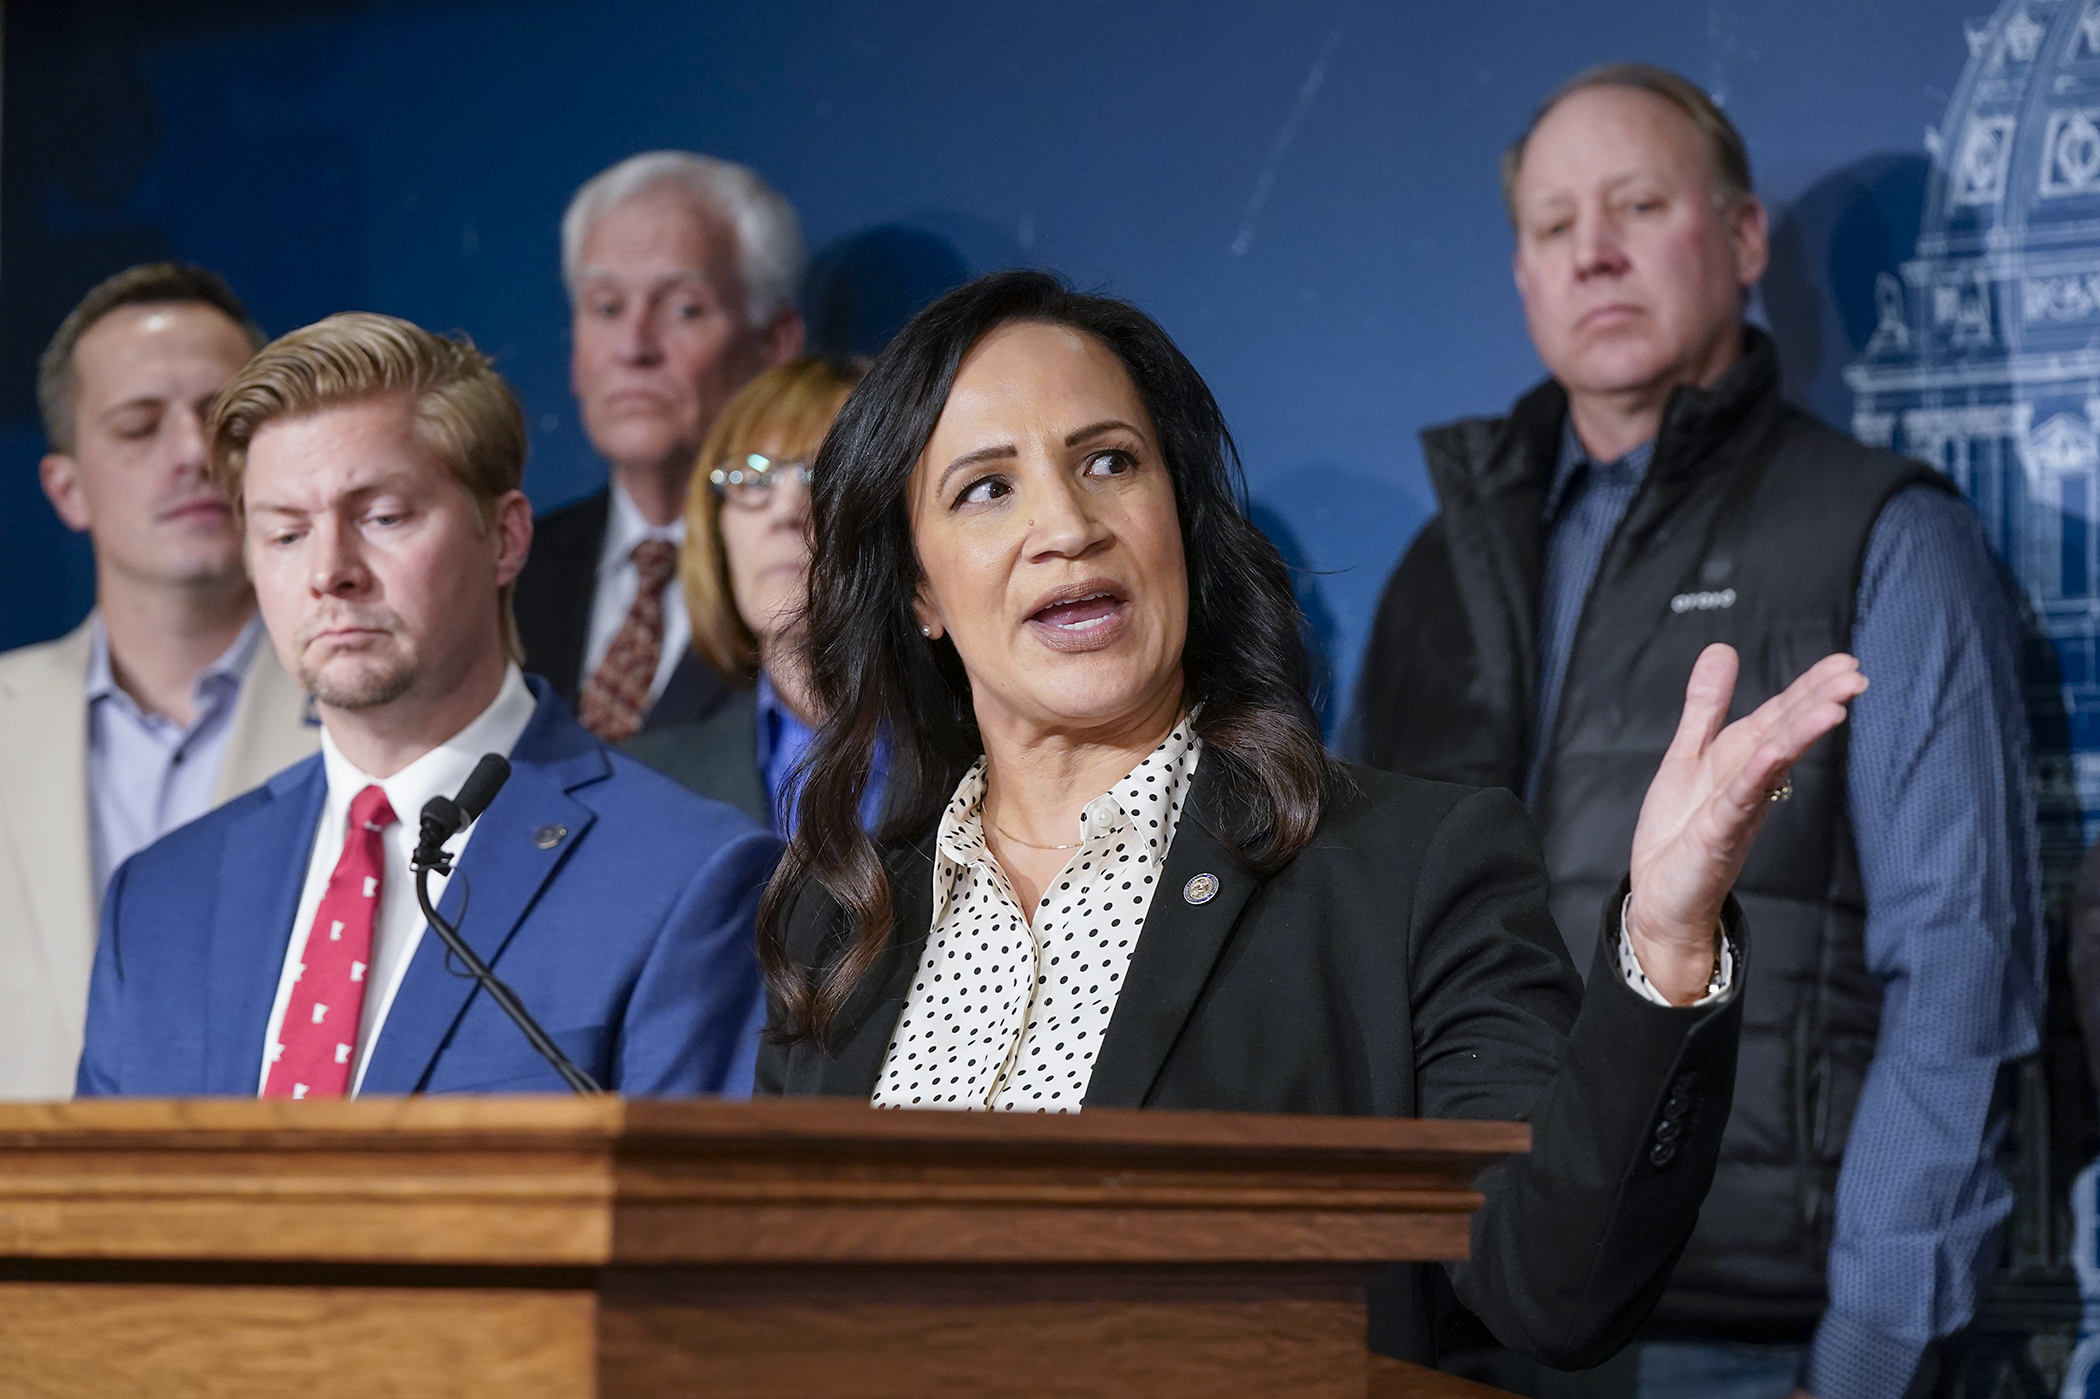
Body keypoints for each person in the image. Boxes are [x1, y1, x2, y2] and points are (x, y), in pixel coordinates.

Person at [749, 269, 1867, 1369]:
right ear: (921, 595)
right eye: (985, 488)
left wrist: (1666, 948)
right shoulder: (843, 918)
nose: (1067, 524)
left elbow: (1556, 1288)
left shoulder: (1402, 873)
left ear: (1179, 521)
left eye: (1109, 462)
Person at [1349, 65, 2043, 1399]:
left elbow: (1961, 967)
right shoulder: (1439, 564)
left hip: (1736, 1341)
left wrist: (1870, 1357)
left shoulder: (1884, 535)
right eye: (1553, 227)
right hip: (1459, 1323)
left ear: (1739, 240)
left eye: (1637, 206)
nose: (1592, 252)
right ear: (1523, 276)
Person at [76, 312, 777, 1098]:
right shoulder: (162, 899)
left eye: (382, 517)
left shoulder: (685, 876)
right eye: (285, 534)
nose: (330, 571)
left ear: (506, 538)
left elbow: (680, 1218)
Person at [0, 263, 318, 1102]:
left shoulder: (397, 715)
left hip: (293, 1215)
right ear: (67, 489)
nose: (192, 452)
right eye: (139, 426)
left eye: (224, 417)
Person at [513, 151, 807, 746]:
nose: (634, 346)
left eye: (683, 309)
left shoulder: (807, 568)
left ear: (775, 344)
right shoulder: (505, 577)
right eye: (607, 307)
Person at [625, 355, 888, 834]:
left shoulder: (989, 751)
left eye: (823, 472)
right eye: (752, 479)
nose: (786, 509)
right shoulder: (647, 784)